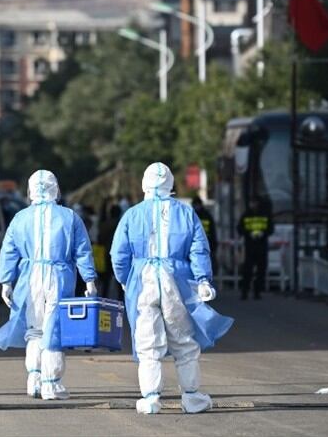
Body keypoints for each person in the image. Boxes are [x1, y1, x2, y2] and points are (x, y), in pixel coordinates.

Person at [111, 163, 233, 415]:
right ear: (170, 185)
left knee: (147, 342)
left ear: (145, 184)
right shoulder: (186, 213)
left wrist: (126, 280)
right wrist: (203, 280)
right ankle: (191, 397)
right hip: (175, 283)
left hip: (142, 284)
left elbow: (119, 254)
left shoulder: (132, 215)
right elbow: (198, 248)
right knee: (183, 340)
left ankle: (151, 397)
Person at [0, 170, 98, 400]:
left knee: (34, 329)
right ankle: (52, 383)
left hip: (29, 278)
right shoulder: (69, 217)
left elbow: (8, 251)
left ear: (30, 190)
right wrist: (89, 279)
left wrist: (6, 281)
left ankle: (34, 379)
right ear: (56, 189)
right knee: (53, 329)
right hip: (58, 276)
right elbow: (82, 251)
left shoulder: (20, 218)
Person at [237, 197, 274, 300]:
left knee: (261, 271)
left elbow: (271, 228)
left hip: (261, 246)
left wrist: (263, 233)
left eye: (254, 202)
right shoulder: (246, 215)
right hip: (250, 247)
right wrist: (249, 234)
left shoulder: (265, 214)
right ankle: (245, 292)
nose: (253, 205)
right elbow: (240, 228)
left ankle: (257, 292)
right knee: (247, 271)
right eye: (252, 202)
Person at [191, 196, 218, 271]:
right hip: (196, 247)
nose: (196, 207)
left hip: (207, 245)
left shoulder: (206, 216)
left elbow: (212, 231)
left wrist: (214, 246)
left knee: (208, 269)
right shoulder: (191, 216)